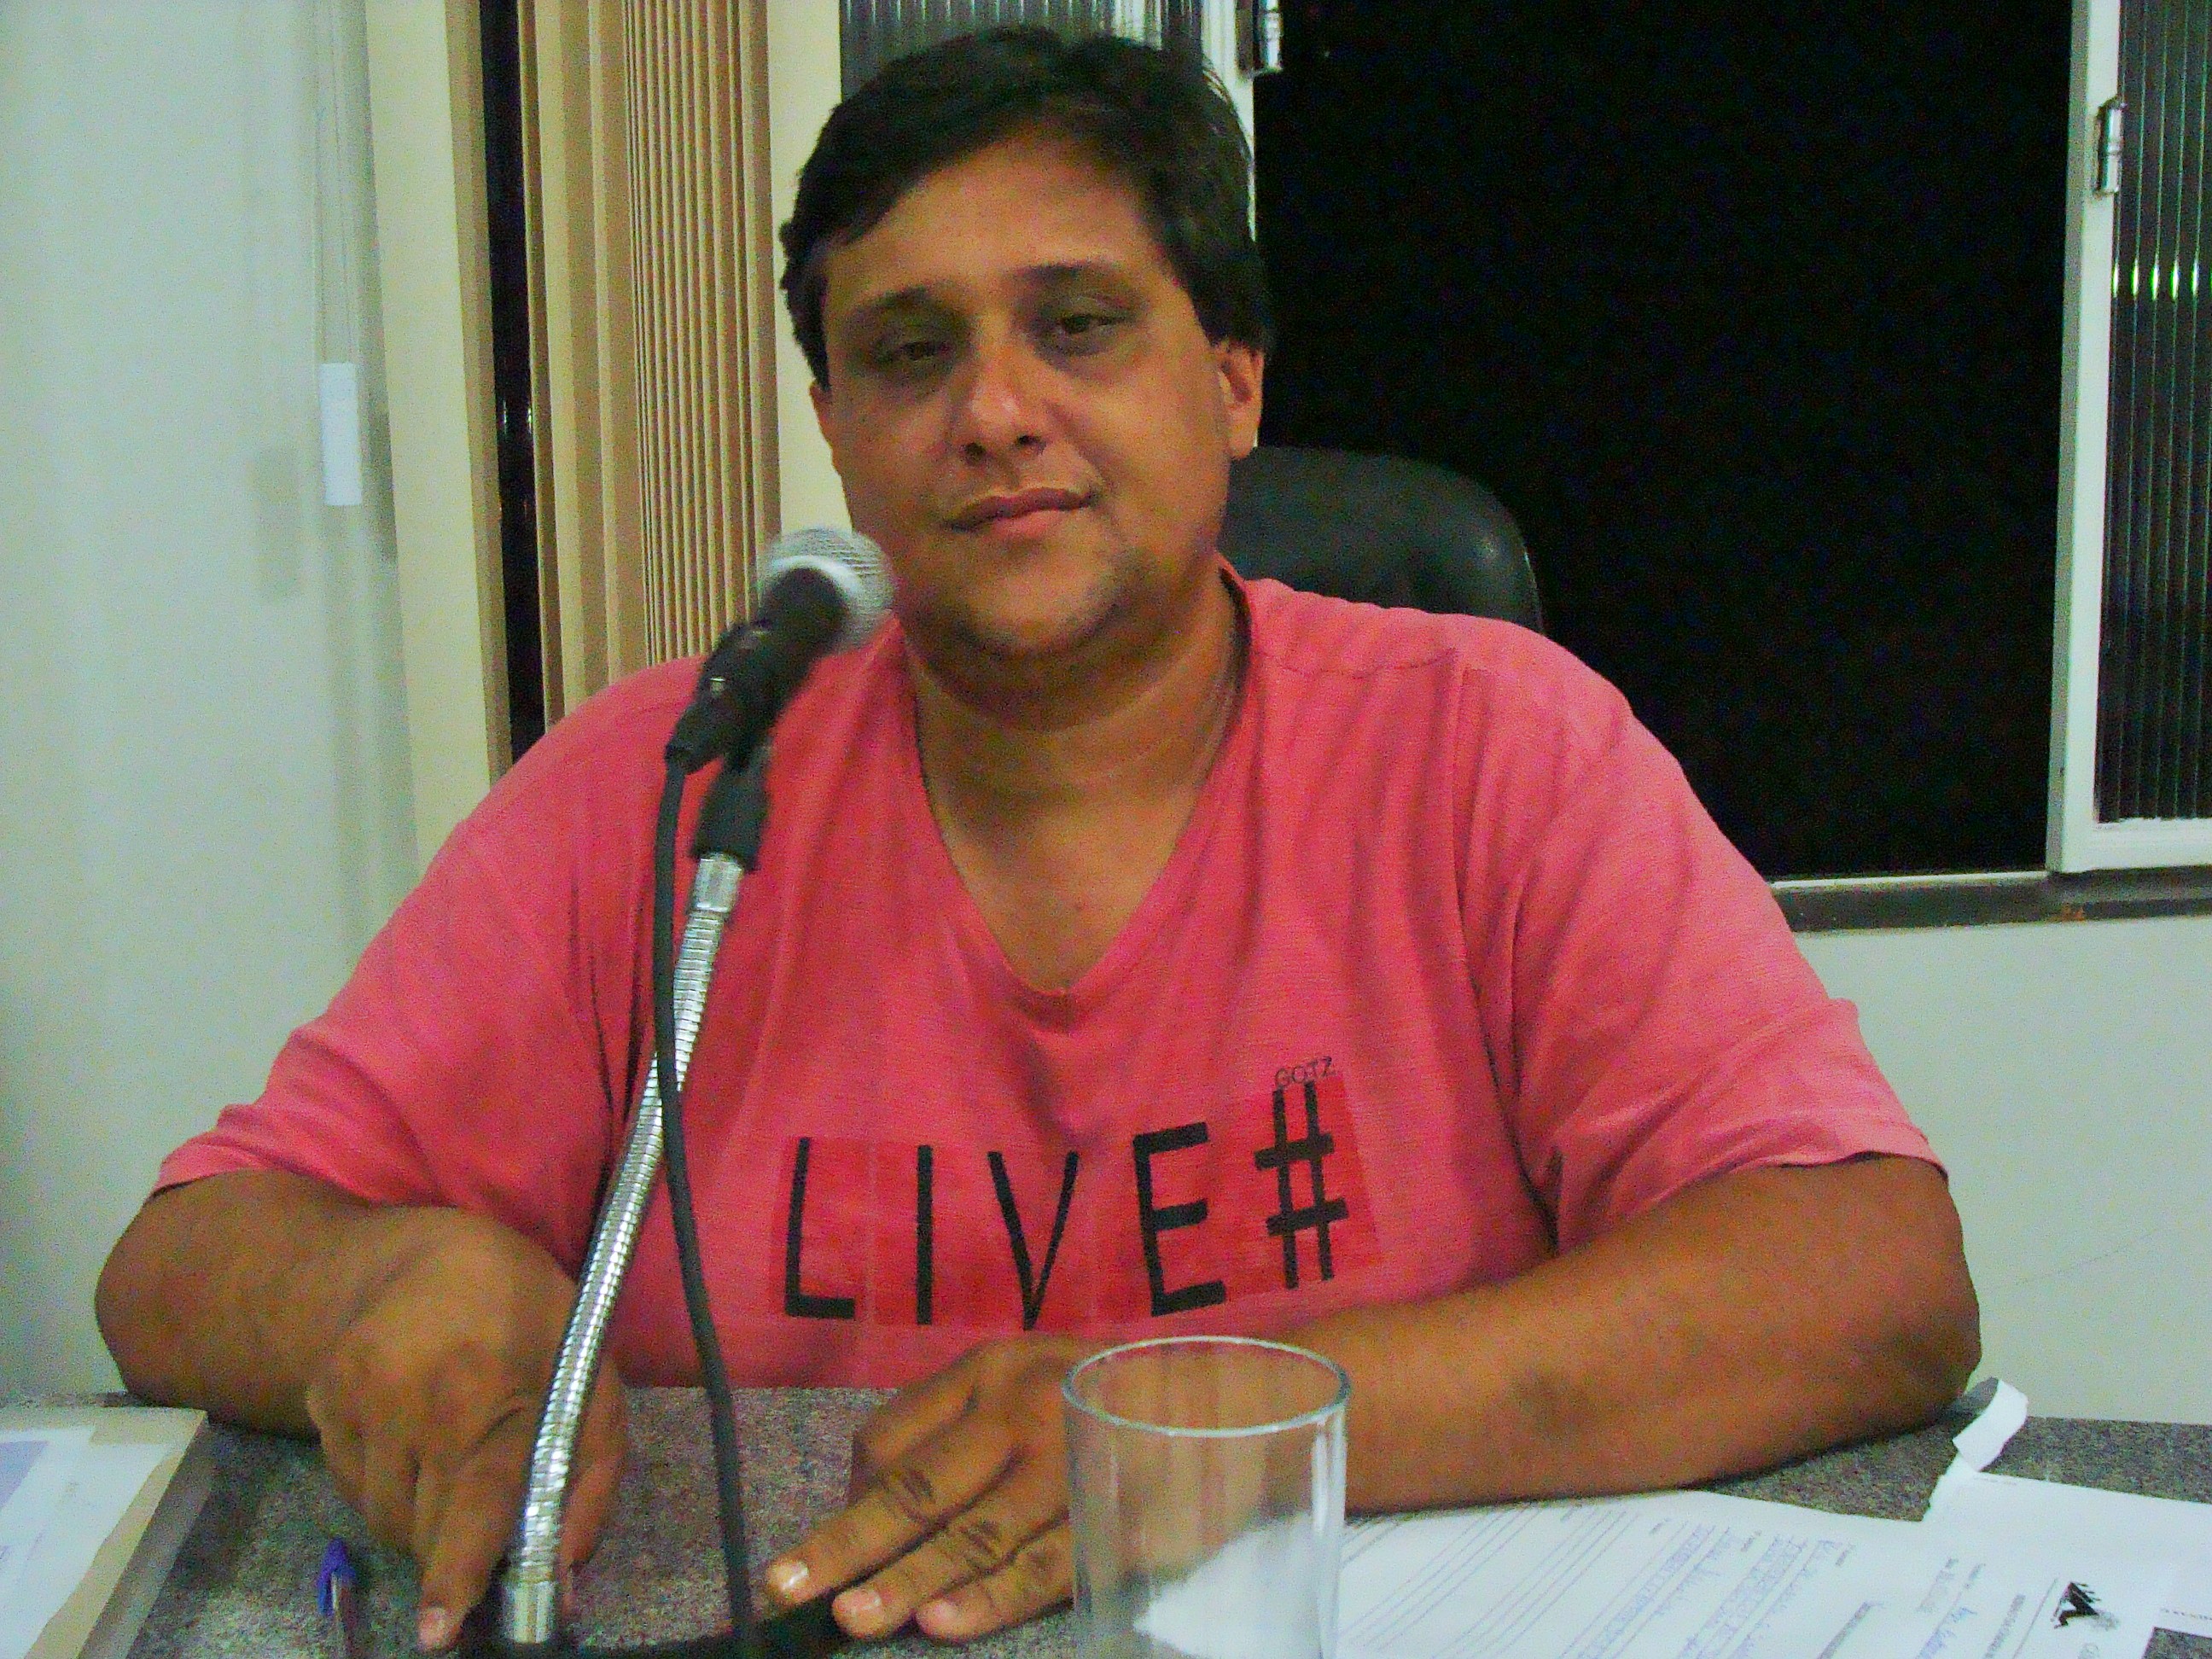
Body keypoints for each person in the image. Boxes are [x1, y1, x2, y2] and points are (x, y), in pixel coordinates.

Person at [96, 26, 1979, 1652]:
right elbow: (177, 1271)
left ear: (1231, 379)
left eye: (1077, 326)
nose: (995, 413)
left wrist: (1210, 1425)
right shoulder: (670, 792)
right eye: (909, 354)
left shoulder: (1494, 748)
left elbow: (1872, 1278)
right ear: (838, 432)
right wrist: (388, 1282)